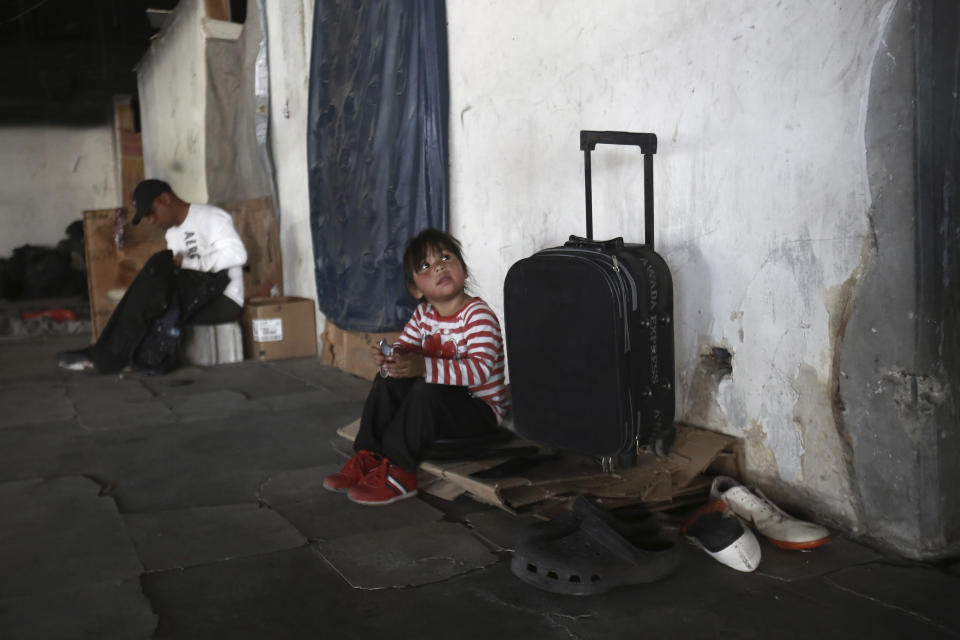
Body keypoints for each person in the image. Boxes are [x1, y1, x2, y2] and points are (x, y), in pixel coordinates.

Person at [323, 229, 509, 506]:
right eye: (426, 265)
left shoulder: (477, 315)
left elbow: (479, 371)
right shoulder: (423, 315)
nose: (439, 266)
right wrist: (391, 359)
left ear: (464, 271)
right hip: (440, 407)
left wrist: (422, 366)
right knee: (388, 379)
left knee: (426, 389)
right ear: (415, 289)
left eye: (446, 257)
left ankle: (401, 471)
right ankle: (371, 456)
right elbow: (406, 348)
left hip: (479, 411)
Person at [58, 179, 247, 374]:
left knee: (158, 267)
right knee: (150, 289)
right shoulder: (172, 233)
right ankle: (110, 354)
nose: (151, 220)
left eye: (151, 212)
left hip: (224, 300)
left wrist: (190, 263)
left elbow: (238, 255)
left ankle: (107, 356)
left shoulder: (211, 217)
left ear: (165, 199)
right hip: (197, 293)